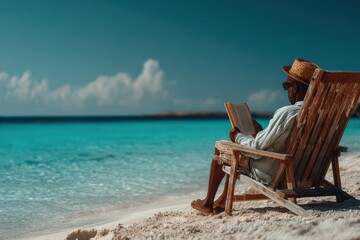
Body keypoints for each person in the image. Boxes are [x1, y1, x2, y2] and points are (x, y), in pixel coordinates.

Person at [191, 58, 320, 215]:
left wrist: (237, 137)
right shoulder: (319, 115)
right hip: (302, 173)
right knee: (238, 149)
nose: (287, 90)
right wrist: (258, 133)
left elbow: (256, 149)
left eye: (287, 86)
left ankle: (207, 203)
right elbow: (284, 141)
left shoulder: (288, 112)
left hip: (273, 174)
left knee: (222, 147)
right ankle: (223, 199)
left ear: (295, 88)